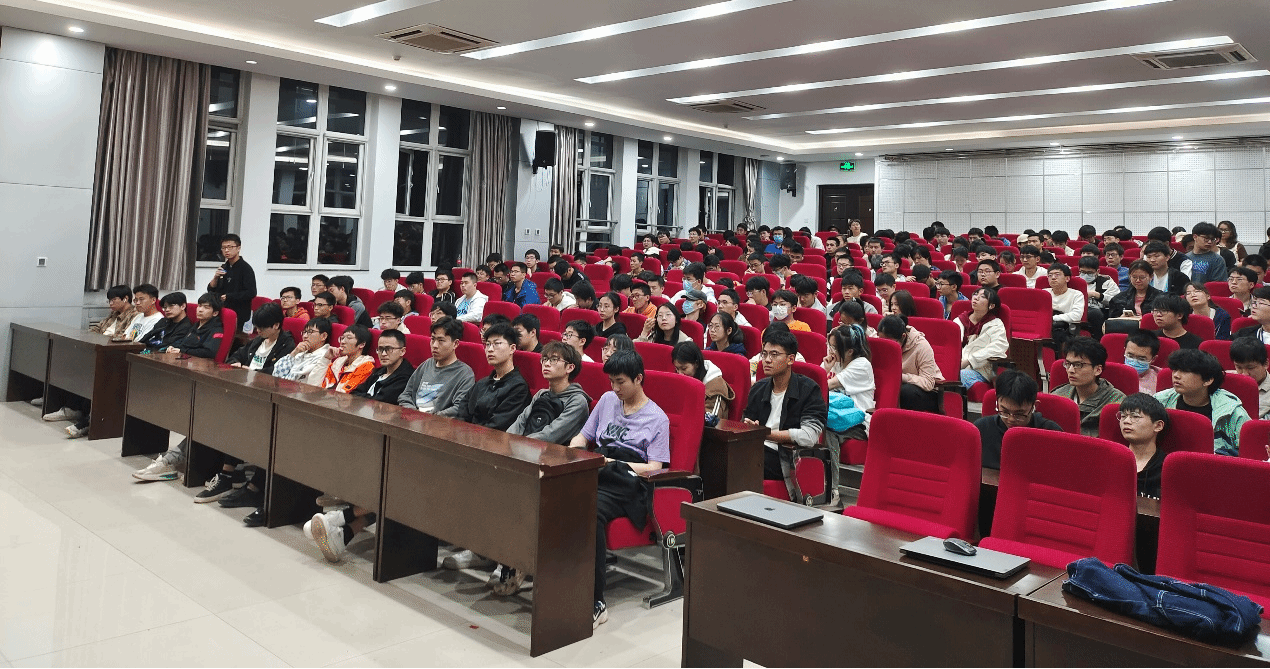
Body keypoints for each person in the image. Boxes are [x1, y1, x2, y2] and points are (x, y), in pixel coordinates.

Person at [568, 350, 670, 628]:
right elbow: (583, 436)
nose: (615, 388)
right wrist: (574, 449)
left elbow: (654, 467)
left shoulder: (657, 418)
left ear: (638, 379)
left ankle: (596, 601)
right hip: (599, 469)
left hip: (628, 482)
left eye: (620, 382)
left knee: (590, 509)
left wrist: (613, 462)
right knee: (557, 495)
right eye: (611, 381)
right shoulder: (606, 400)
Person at [743, 328, 827, 501]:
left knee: (738, 461)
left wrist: (764, 434)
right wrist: (749, 428)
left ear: (791, 359)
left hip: (787, 457)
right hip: (757, 449)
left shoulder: (809, 390)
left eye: (774, 354)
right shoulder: (758, 388)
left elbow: (809, 436)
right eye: (764, 354)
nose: (767, 360)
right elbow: (746, 423)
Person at [1154, 348, 1249, 456]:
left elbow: (1246, 453)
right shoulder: (1160, 401)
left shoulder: (1232, 412)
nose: (1176, 375)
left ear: (1208, 380)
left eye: (1185, 371)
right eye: (1175, 369)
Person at [975, 370, 1062, 470]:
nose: (1011, 419)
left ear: (1034, 406)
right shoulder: (981, 429)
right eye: (1005, 411)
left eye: (1019, 414)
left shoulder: (1051, 433)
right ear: (997, 402)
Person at [1049, 336, 1127, 437]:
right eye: (1068, 364)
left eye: (1078, 365)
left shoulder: (1117, 401)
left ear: (1097, 370)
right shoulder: (1057, 396)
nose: (1070, 370)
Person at [399, 318, 473, 415]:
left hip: (439, 422)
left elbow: (459, 408)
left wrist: (430, 418)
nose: (435, 345)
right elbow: (405, 395)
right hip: (413, 418)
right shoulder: (427, 364)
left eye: (441, 340)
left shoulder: (465, 374)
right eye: (433, 339)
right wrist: (414, 413)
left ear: (455, 344)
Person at [877, 314, 944, 413]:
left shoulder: (922, 346)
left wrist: (900, 377)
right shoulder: (882, 342)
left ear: (903, 336)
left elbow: (928, 383)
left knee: (905, 391)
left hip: (925, 392)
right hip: (896, 385)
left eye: (890, 343)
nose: (886, 348)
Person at [1116, 393, 1169, 498]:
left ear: (1158, 426)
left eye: (1135, 416)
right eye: (1123, 416)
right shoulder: (1113, 459)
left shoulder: (1167, 467)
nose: (1126, 421)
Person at [957, 287, 1009, 389]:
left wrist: (970, 360)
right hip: (955, 365)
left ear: (991, 306)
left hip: (980, 370)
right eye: (975, 294)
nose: (976, 298)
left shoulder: (996, 324)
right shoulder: (960, 320)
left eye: (982, 297)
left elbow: (998, 347)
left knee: (960, 375)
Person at [206, 233, 257, 328]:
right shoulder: (224, 267)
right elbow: (211, 289)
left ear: (238, 248)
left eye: (230, 247)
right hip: (222, 310)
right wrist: (216, 277)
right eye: (223, 248)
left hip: (239, 313)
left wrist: (229, 296)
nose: (226, 250)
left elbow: (251, 292)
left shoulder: (246, 268)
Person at [351, 329, 414, 403]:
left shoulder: (406, 378)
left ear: (402, 351)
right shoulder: (379, 371)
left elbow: (381, 401)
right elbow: (354, 393)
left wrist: (364, 397)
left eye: (389, 349)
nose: (383, 354)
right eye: (380, 349)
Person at [271, 317, 336, 386]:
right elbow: (276, 374)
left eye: (310, 332)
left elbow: (294, 380)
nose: (305, 336)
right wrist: (294, 353)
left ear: (323, 336)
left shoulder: (323, 358)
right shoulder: (301, 352)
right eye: (304, 332)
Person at [322, 325, 376, 393]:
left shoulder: (366, 367)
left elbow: (345, 394)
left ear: (361, 344)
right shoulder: (338, 362)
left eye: (349, 338)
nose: (342, 342)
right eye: (342, 338)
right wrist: (325, 359)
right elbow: (314, 386)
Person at [1107, 260, 1162, 324]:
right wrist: (1120, 318)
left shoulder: (1160, 297)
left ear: (1151, 277)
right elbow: (1112, 321)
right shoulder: (1118, 299)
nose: (1138, 280)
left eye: (1142, 277)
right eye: (1134, 277)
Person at [1045, 263, 1085, 351]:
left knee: (1058, 332)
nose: (1053, 278)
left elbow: (1076, 316)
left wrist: (1052, 318)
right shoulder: (1044, 293)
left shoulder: (1076, 295)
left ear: (1067, 278)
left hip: (1065, 328)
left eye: (1057, 275)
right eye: (1050, 275)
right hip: (1044, 325)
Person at [1230, 337, 1270, 420]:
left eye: (1250, 368)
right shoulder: (1226, 380)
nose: (1245, 374)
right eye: (1239, 367)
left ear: (1266, 364)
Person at [1078, 256, 1119, 336]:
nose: (1085, 275)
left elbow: (1116, 300)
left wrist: (1097, 295)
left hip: (1099, 311)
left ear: (1097, 271)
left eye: (1089, 273)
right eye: (1082, 272)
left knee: (1095, 313)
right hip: (1077, 309)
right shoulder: (1075, 281)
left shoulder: (1107, 282)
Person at [1124, 330, 1163, 394]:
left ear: (1153, 359)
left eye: (1141, 358)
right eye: (1130, 356)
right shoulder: (1114, 374)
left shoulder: (1161, 379)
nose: (1134, 361)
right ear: (1124, 351)